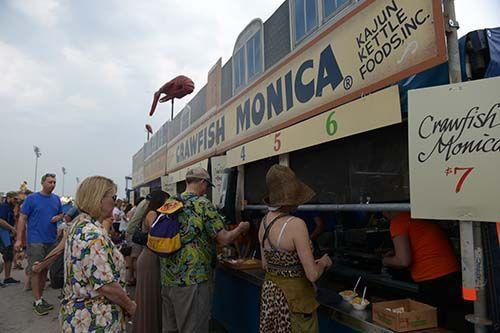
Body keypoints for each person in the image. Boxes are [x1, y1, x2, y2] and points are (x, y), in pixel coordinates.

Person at [160, 167, 250, 333]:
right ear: (202, 182)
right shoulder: (202, 204)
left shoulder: (170, 202)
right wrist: (241, 228)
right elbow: (223, 239)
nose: (206, 189)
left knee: (170, 329)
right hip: (193, 279)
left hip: (168, 277)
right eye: (206, 186)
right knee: (193, 328)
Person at [259, 165, 332, 333]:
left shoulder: (263, 223)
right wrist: (323, 263)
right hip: (295, 301)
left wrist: (292, 267)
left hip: (271, 297)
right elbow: (312, 275)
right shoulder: (296, 224)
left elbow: (266, 265)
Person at [59, 176, 136, 332]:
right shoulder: (92, 234)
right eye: (113, 197)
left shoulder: (80, 224)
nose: (116, 202)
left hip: (80, 316)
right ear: (98, 198)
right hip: (94, 320)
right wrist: (130, 305)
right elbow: (106, 285)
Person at [382, 211, 464, 330]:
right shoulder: (417, 214)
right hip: (453, 273)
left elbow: (403, 261)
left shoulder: (398, 221)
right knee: (454, 323)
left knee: (433, 325)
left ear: (385, 211)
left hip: (433, 280)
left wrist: (385, 261)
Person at [15, 173, 64, 315]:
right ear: (43, 183)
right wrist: (19, 239)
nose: (53, 184)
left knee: (44, 271)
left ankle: (40, 299)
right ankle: (37, 301)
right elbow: (22, 218)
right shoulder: (32, 199)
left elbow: (61, 214)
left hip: (51, 240)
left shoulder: (56, 200)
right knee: (36, 270)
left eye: (54, 182)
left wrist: (58, 217)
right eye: (50, 182)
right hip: (36, 240)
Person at [132, 190, 169, 333]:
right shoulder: (153, 214)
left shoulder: (151, 213)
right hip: (150, 260)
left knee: (150, 298)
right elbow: (159, 234)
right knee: (150, 299)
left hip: (149, 258)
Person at [0, 191, 20, 285]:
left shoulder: (11, 208)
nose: (17, 201)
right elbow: (1, 220)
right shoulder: (4, 207)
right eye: (15, 199)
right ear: (9, 198)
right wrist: (12, 228)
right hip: (3, 234)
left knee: (8, 256)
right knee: (5, 257)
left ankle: (7, 278)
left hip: (7, 235)